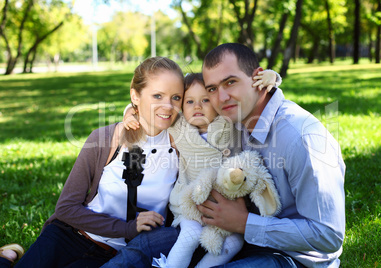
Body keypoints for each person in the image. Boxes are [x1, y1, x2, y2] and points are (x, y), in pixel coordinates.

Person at [0, 56, 185, 267]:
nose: (168, 106)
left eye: (176, 97)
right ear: (135, 95)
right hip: (69, 237)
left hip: (115, 256)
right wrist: (127, 228)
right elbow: (66, 208)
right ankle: (6, 258)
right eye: (157, 95)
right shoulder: (104, 139)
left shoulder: (181, 148)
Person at [108, 70, 281, 268]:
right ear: (181, 106)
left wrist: (272, 79)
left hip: (225, 205)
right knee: (190, 235)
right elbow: (145, 107)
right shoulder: (179, 126)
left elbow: (253, 102)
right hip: (190, 203)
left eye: (205, 100)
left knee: (234, 243)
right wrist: (130, 114)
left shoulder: (229, 123)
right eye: (189, 102)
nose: (197, 106)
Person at [197, 43, 346, 267]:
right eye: (212, 89)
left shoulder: (302, 138)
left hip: (294, 258)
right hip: (239, 239)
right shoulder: (235, 123)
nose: (221, 97)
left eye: (230, 82)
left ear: (259, 79)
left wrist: (245, 223)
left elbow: (328, 234)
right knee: (151, 246)